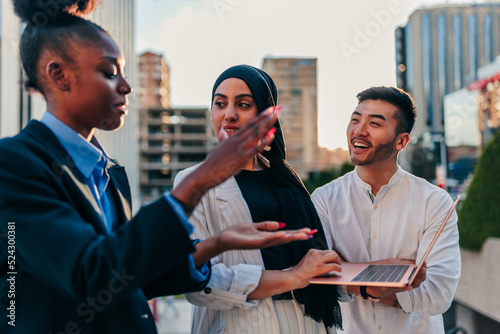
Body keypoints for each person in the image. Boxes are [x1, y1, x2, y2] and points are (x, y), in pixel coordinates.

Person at [0, 2, 315, 333]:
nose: (126, 87)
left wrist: (216, 244)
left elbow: (129, 279)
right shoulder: (14, 163)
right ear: (58, 75)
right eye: (109, 72)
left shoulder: (112, 174)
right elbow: (89, 275)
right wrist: (198, 182)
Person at [174, 65, 343, 334]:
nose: (229, 114)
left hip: (304, 323)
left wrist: (371, 281)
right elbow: (197, 281)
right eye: (220, 104)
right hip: (238, 325)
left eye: (243, 104)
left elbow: (316, 262)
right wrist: (292, 277)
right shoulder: (192, 182)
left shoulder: (287, 181)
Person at [311, 86, 461, 333]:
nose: (359, 130)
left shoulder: (434, 201)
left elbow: (439, 293)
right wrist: (393, 276)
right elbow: (316, 281)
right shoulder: (324, 199)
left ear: (401, 141)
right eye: (355, 120)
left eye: (375, 124)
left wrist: (350, 277)